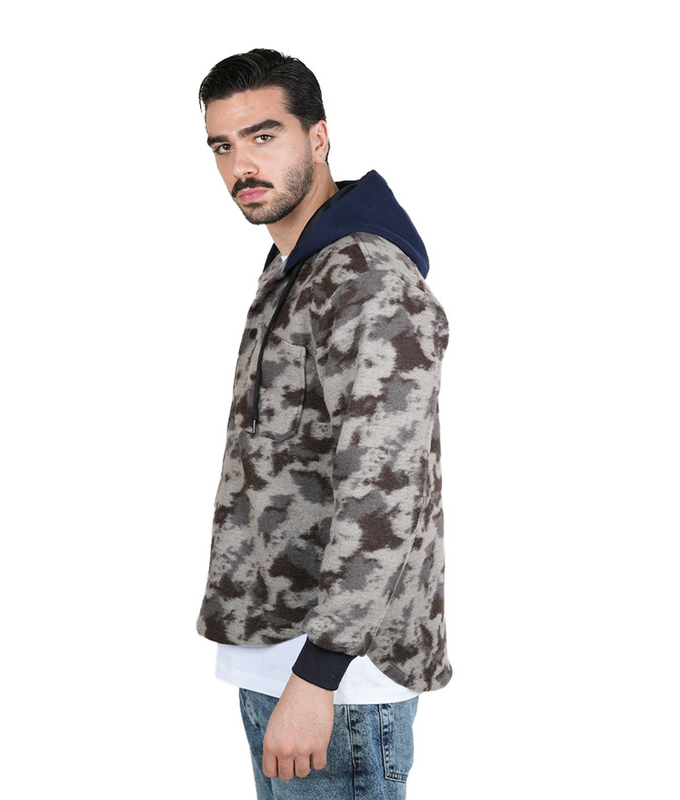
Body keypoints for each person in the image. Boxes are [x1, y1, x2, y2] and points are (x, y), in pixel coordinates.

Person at [196, 48, 451, 799]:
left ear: (319, 137)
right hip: (277, 656)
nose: (242, 164)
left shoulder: (367, 278)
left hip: (337, 682)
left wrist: (318, 677)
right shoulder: (295, 267)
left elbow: (387, 490)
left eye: (263, 135)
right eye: (222, 145)